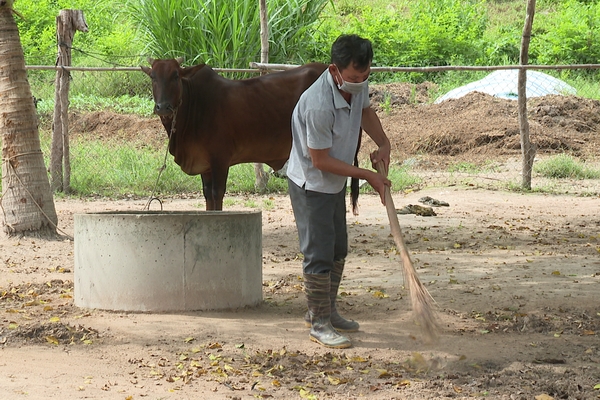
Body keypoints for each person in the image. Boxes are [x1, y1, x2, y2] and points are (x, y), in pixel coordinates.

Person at [287, 34, 392, 349]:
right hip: (312, 183)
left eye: (365, 76)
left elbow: (365, 112)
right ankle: (318, 323)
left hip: (335, 180)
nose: (360, 83)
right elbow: (319, 161)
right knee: (318, 253)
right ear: (334, 71)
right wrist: (366, 175)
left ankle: (327, 310)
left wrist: (383, 142)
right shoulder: (318, 104)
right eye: (353, 78)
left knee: (338, 248)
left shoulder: (356, 86)